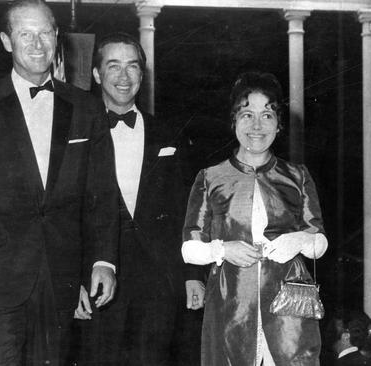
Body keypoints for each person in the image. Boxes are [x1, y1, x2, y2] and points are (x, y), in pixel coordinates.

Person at [0, 1, 119, 365]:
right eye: (26, 34)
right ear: (7, 41)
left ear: (56, 37)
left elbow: (100, 196)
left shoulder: (87, 108)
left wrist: (103, 261)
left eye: (44, 33)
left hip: (60, 276)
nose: (37, 44)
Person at [75, 32, 204, 366]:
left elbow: (186, 210)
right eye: (113, 65)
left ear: (142, 76)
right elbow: (65, 215)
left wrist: (192, 273)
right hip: (97, 283)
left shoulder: (169, 133)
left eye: (132, 66)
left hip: (158, 282)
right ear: (97, 75)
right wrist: (71, 281)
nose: (123, 76)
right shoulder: (74, 136)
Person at [181, 71, 328, 365]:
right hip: (231, 306)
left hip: (289, 313)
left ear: (279, 124)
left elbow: (319, 242)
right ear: (234, 120)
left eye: (267, 115)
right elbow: (189, 248)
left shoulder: (297, 176)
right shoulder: (211, 178)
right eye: (247, 115)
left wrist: (299, 240)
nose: (257, 126)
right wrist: (223, 250)